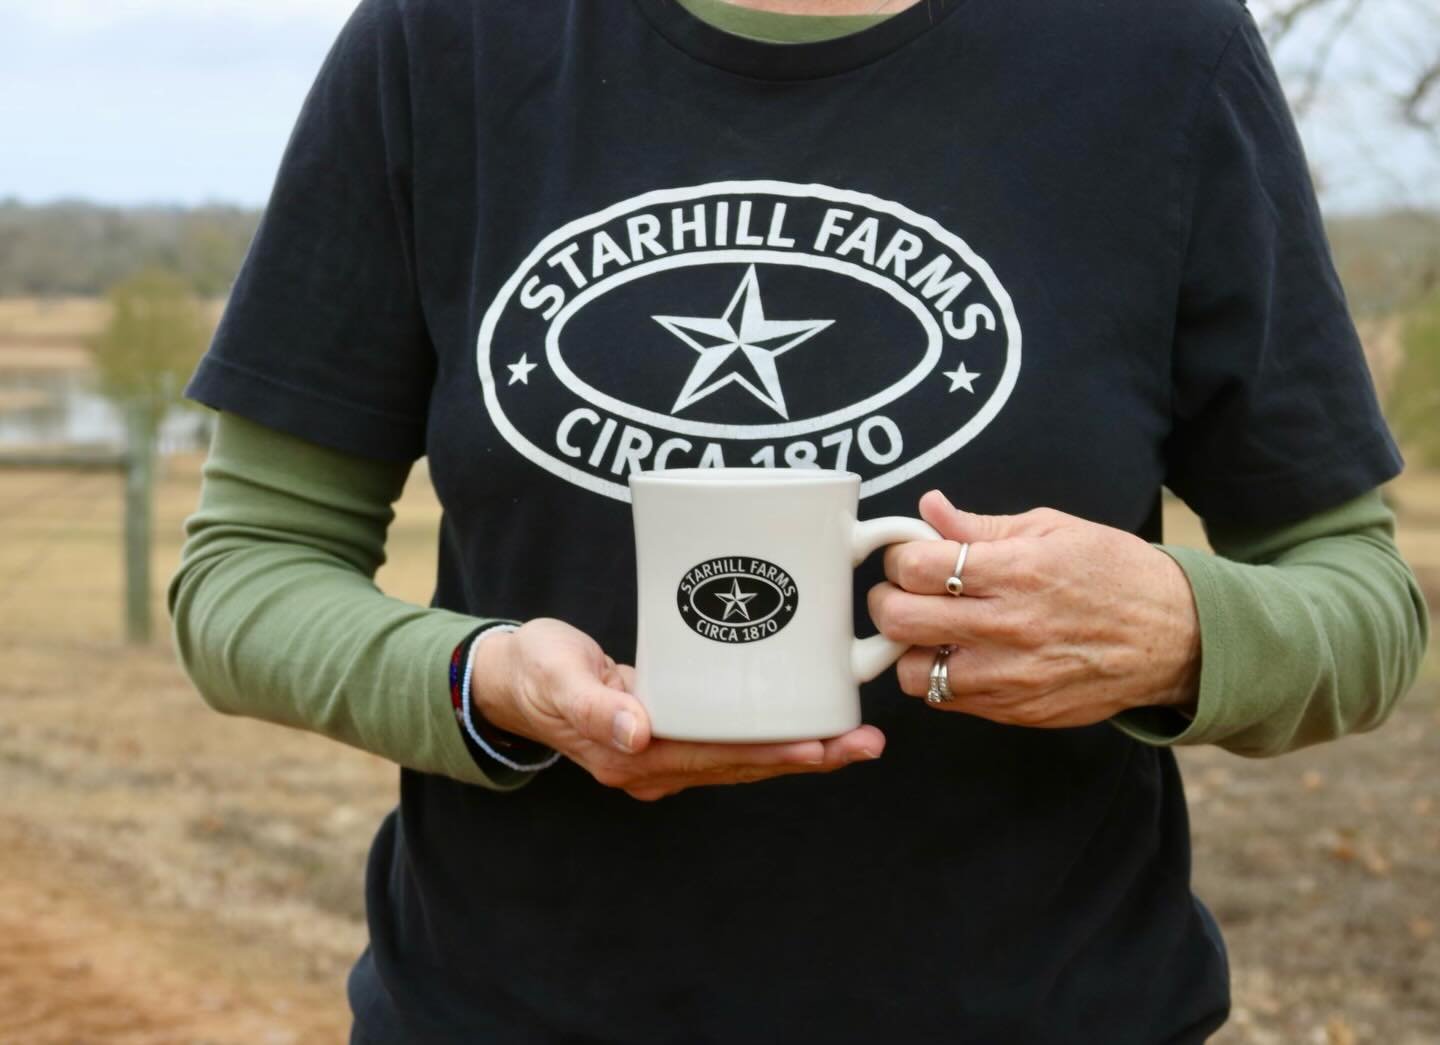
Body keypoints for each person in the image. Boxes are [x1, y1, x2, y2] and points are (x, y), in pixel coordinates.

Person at [168, 0, 1430, 1041]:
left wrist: (1183, 629)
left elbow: (1363, 605)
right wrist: (480, 681)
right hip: (503, 1013)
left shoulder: (1158, 50)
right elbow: (246, 574)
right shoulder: (443, 42)